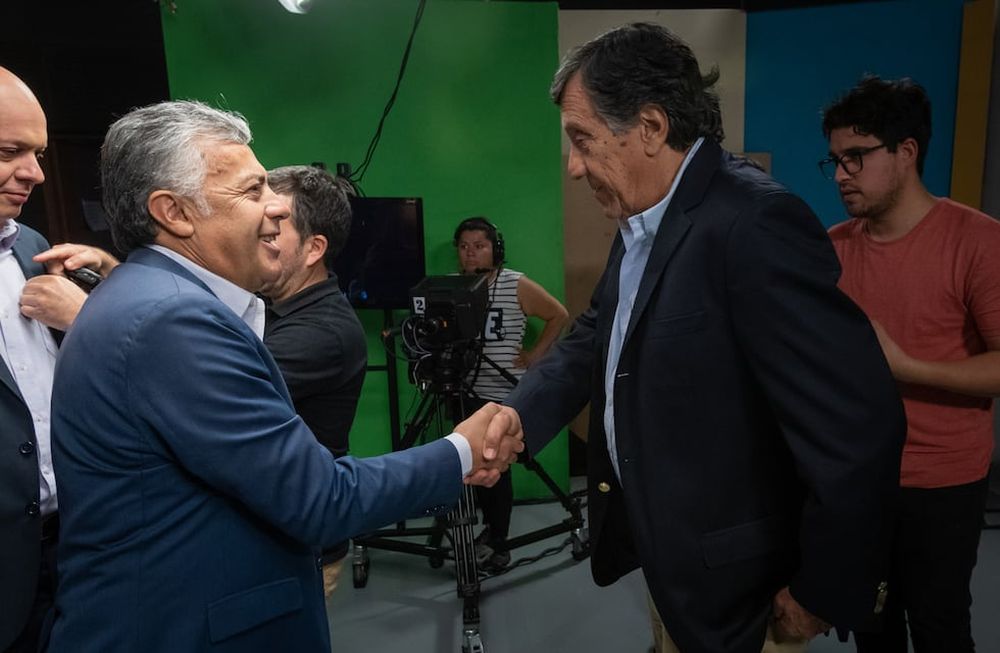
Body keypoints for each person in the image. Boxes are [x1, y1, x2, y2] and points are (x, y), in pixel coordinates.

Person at [482, 23, 906, 653]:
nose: (572, 168)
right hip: (672, 563)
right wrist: (516, 413)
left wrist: (820, 589)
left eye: (582, 140)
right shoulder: (641, 220)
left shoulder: (754, 223)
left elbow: (859, 426)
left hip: (741, 589)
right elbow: (599, 331)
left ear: (651, 128)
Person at [47, 100, 522, 653]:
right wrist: (460, 450)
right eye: (252, 192)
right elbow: (320, 499)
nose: (276, 208)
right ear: (174, 213)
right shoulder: (173, 320)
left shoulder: (152, 299)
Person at [822, 75, 1000, 653]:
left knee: (939, 625)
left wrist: (904, 366)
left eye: (856, 157)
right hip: (858, 477)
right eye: (835, 161)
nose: (843, 173)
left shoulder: (977, 241)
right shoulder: (833, 247)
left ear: (905, 152)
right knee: (872, 627)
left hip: (942, 481)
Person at [0, 65, 117, 653]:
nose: (35, 174)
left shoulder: (31, 246)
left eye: (39, 153)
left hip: (65, 545)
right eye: (8, 151)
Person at [258, 164, 367, 596]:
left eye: (272, 234)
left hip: (300, 542)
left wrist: (92, 321)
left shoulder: (323, 332)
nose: (257, 242)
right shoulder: (272, 303)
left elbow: (211, 387)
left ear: (313, 248)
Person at [453, 216, 568, 570]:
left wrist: (535, 356)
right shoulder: (455, 287)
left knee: (496, 470)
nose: (471, 254)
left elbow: (559, 315)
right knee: (472, 466)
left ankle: (498, 542)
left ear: (495, 249)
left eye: (480, 246)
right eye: (464, 247)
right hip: (467, 392)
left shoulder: (514, 284)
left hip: (506, 393)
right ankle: (483, 532)